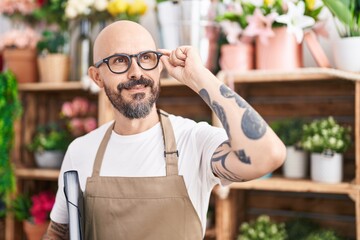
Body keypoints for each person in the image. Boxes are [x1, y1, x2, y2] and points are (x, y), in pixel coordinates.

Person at [44, 20, 286, 240]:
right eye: (119, 60)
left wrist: (199, 77)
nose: (136, 72)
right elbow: (58, 232)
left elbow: (268, 155)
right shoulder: (81, 150)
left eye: (146, 58)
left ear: (159, 66)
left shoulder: (194, 141)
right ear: (97, 77)